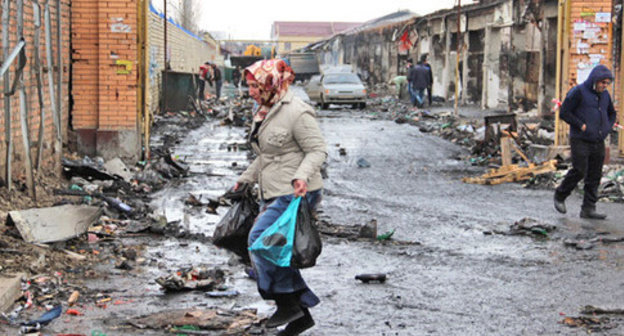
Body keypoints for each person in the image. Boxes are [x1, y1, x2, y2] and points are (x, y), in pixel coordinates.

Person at [234, 59, 327, 335]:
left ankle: (288, 303)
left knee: (261, 242)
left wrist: (301, 175)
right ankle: (300, 314)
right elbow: (267, 155)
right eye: (249, 85)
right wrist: (245, 179)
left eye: (254, 85)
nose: (250, 91)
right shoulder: (265, 109)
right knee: (275, 249)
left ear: (270, 84)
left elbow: (318, 150)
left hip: (295, 191)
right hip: (272, 190)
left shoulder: (297, 112)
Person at [554, 64, 616, 219]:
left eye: (607, 83)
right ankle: (560, 194)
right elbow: (564, 113)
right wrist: (580, 125)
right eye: (602, 82)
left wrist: (607, 127)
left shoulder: (605, 95)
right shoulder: (579, 92)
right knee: (580, 170)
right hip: (580, 139)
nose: (604, 86)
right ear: (595, 80)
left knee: (595, 175)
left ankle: (588, 208)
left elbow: (612, 113)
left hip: (598, 140)